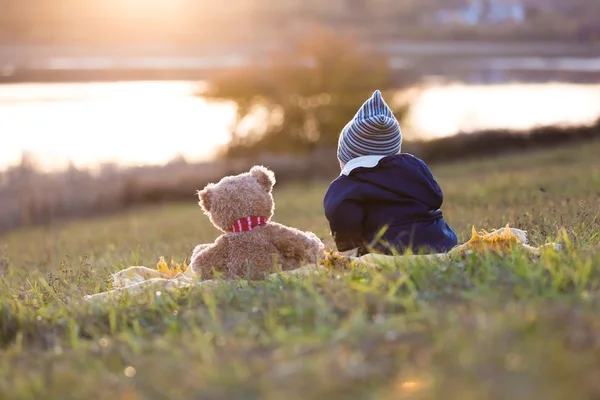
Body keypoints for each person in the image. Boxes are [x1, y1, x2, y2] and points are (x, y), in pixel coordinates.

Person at [323, 90, 458, 256]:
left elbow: (342, 216)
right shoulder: (415, 167)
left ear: (348, 156)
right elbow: (435, 197)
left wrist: (349, 251)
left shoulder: (347, 185)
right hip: (438, 240)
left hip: (387, 248)